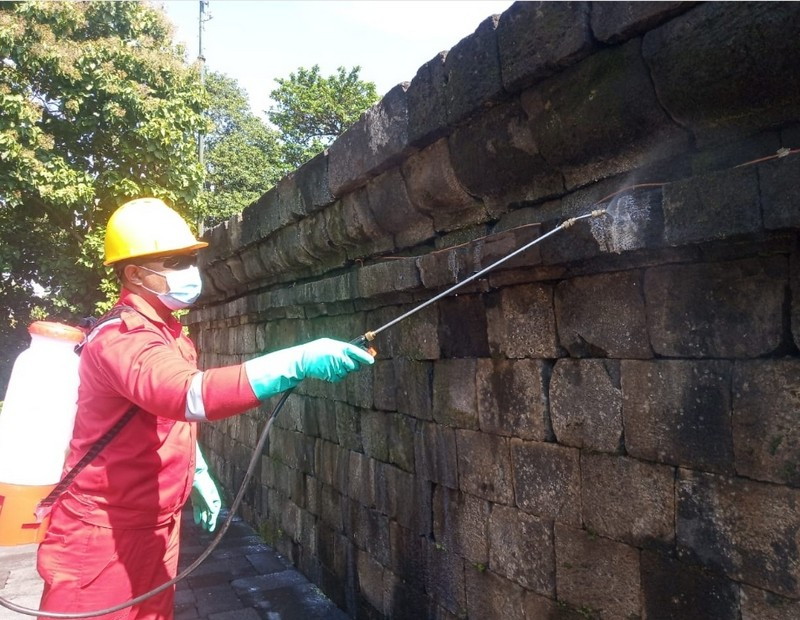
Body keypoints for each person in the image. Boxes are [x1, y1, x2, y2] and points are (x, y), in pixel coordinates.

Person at [36, 197, 374, 619]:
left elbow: (163, 418)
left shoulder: (167, 333)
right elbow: (188, 395)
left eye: (191, 259)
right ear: (135, 274)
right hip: (102, 532)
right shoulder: (121, 338)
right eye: (176, 261)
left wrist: (194, 471)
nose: (190, 271)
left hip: (156, 524)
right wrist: (296, 361)